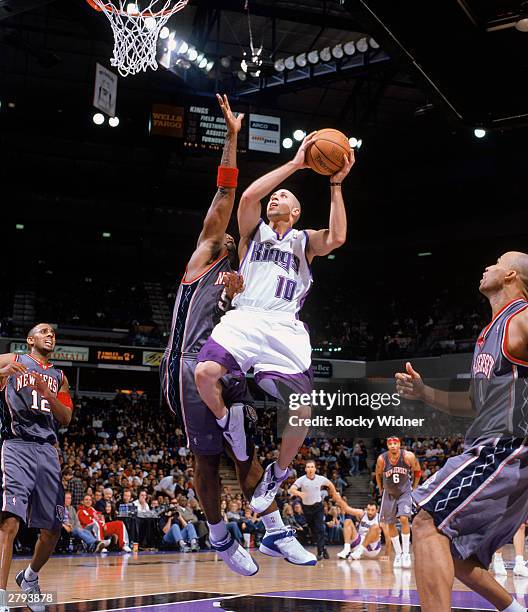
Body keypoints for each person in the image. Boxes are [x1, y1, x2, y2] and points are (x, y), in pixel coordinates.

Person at [160, 94, 312, 574]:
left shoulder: (245, 276)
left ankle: (273, 530)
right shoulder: (207, 252)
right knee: (207, 457)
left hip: (231, 352)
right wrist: (231, 137)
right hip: (188, 364)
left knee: (246, 444)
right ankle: (220, 535)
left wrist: (234, 294)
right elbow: (228, 194)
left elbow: (238, 308)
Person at [195, 134, 355, 520]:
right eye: (275, 196)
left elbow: (338, 237)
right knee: (204, 373)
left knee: (302, 411)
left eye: (284, 196)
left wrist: (335, 184)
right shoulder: (254, 233)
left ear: (296, 212)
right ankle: (228, 421)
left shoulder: (303, 241)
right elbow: (248, 197)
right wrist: (297, 163)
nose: (275, 198)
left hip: (284, 326)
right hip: (247, 315)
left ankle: (278, 472)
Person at [395, 251, 528, 612]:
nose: (487, 266)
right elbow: (472, 403)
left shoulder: (520, 319)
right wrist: (424, 393)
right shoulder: (490, 333)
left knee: (426, 519)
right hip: (493, 446)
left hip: (508, 446)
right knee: (450, 548)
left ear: (511, 275)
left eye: (496, 262)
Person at [0, 323, 74, 612]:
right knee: (9, 521)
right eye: (44, 331)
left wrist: (48, 392)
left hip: (47, 451)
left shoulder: (60, 376)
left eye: (53, 333)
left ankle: (29, 578)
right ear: (30, 340)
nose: (51, 335)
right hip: (17, 445)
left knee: (53, 528)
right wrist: (3, 374)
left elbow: (66, 417)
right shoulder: (13, 359)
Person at [375, 437, 421, 569]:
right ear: (387, 446)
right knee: (390, 524)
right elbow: (378, 474)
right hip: (389, 493)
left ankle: (406, 553)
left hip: (404, 492)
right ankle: (399, 554)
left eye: (395, 443)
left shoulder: (408, 456)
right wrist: (379, 487)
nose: (393, 446)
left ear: (399, 445)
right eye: (390, 444)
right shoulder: (382, 459)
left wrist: (415, 487)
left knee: (404, 518)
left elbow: (417, 471)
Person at [288, 459, 346, 560]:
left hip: (318, 507)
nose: (310, 469)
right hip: (306, 508)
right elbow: (291, 489)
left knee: (320, 528)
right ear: (306, 469)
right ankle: (323, 548)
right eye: (308, 467)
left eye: (312, 467)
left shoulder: (320, 479)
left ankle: (319, 552)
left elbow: (330, 484)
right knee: (313, 531)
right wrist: (299, 493)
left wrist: (334, 493)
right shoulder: (301, 480)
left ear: (315, 469)